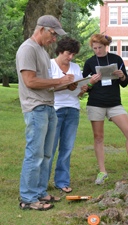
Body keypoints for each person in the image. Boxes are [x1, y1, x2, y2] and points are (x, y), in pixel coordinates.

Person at [16, 15, 74, 211]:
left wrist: (65, 84)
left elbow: (46, 86)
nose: (55, 39)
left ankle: (40, 192)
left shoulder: (41, 51)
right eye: (53, 34)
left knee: (47, 154)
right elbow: (30, 82)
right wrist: (59, 81)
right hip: (35, 108)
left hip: (49, 107)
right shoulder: (27, 49)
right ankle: (28, 198)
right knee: (35, 154)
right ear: (42, 29)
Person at [82, 33, 128, 185]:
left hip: (114, 103)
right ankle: (102, 172)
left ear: (106, 46)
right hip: (96, 103)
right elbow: (84, 88)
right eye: (94, 48)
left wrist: (122, 76)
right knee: (98, 138)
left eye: (99, 47)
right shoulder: (89, 62)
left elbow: (124, 84)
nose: (97, 50)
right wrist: (90, 82)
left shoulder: (116, 59)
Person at [48, 36, 91, 193]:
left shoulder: (75, 67)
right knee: (50, 148)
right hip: (55, 109)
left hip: (73, 109)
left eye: (73, 54)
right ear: (60, 50)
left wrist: (82, 89)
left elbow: (78, 91)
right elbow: (47, 88)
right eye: (68, 53)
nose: (71, 57)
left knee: (67, 148)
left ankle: (62, 182)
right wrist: (63, 83)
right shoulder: (49, 65)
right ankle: (43, 182)